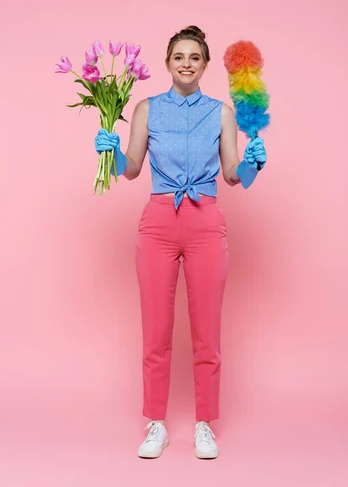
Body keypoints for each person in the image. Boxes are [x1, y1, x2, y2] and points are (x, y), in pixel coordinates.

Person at [95, 25, 267, 459]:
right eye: (178, 56)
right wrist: (110, 152)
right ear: (167, 63)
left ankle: (204, 424)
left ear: (206, 65)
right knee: (156, 331)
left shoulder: (222, 112)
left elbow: (233, 176)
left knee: (207, 332)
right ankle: (156, 423)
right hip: (157, 222)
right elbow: (131, 168)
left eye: (194, 57)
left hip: (206, 221)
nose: (186, 63)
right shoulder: (147, 109)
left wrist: (252, 166)